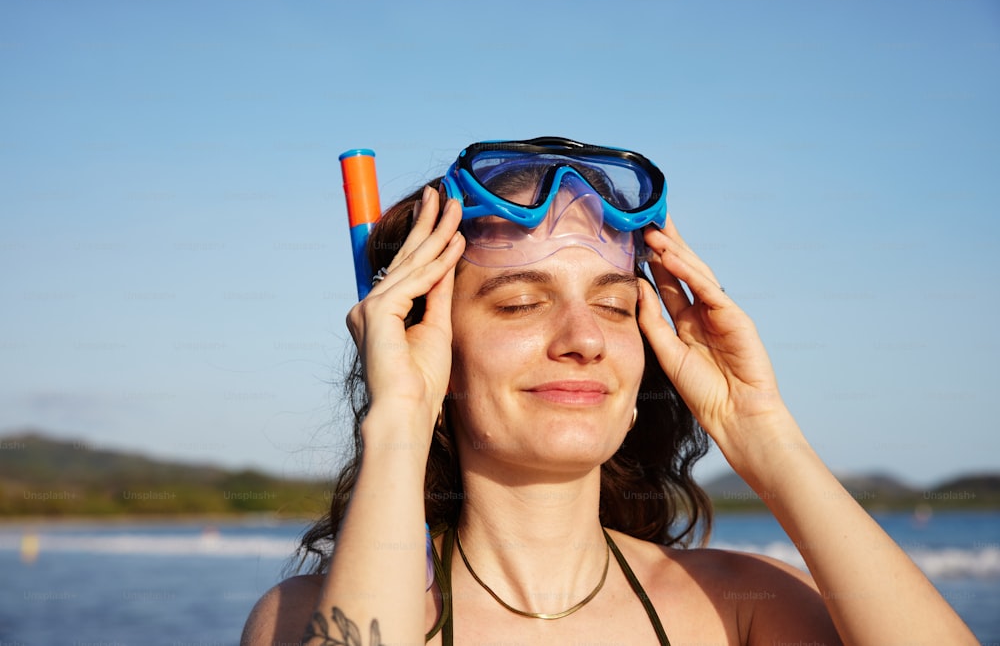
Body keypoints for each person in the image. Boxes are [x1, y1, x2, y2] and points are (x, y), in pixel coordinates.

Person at [242, 137, 976, 645]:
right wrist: (399, 417)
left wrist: (763, 432)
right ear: (428, 349)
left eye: (615, 304)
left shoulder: (738, 608)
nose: (583, 338)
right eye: (519, 303)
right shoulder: (302, 618)